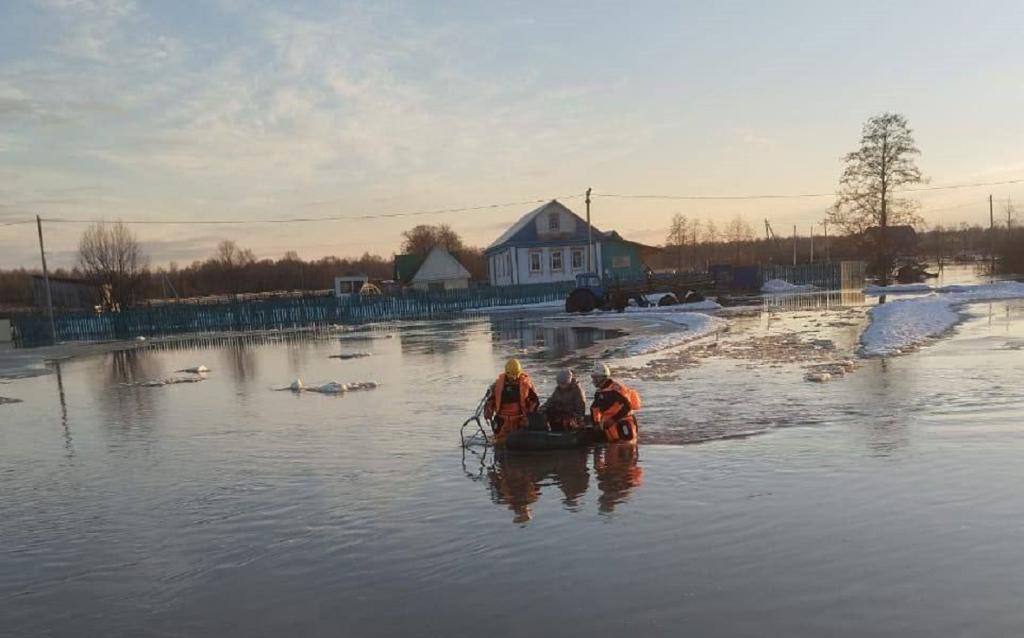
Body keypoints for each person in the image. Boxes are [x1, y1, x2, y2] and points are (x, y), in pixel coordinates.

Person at [484, 358, 540, 445]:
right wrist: (488, 411)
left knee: (519, 443)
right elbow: (491, 400)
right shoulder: (498, 384)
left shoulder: (525, 383)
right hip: (502, 419)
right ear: (507, 373)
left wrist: (530, 416)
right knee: (500, 443)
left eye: (515, 375)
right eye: (511, 375)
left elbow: (534, 401)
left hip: (519, 419)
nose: (513, 378)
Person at [589, 362, 641, 444]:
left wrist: (613, 420)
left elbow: (627, 406)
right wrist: (596, 423)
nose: (594, 381)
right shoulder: (599, 392)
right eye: (593, 378)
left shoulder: (616, 389)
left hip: (624, 422)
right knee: (612, 450)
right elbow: (594, 409)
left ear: (604, 377)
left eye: (596, 378)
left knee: (627, 447)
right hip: (609, 426)